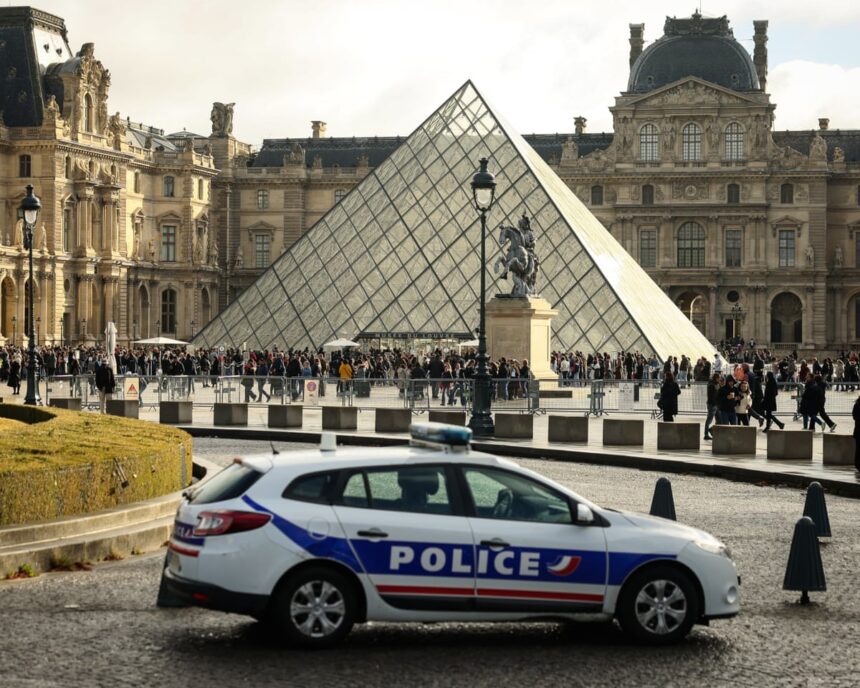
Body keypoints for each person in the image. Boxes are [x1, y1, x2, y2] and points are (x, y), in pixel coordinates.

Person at [704, 373, 721, 440]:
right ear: (716, 378)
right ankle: (706, 434)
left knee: (719, 420)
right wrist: (715, 403)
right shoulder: (712, 385)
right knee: (709, 420)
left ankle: (711, 430)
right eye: (719, 377)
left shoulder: (716, 384)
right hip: (712, 405)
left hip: (716, 405)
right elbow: (711, 396)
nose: (720, 379)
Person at [853, 395, 860, 472]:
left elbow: (854, 416)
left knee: (858, 448)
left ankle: (857, 464)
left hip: (858, 430)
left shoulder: (857, 404)